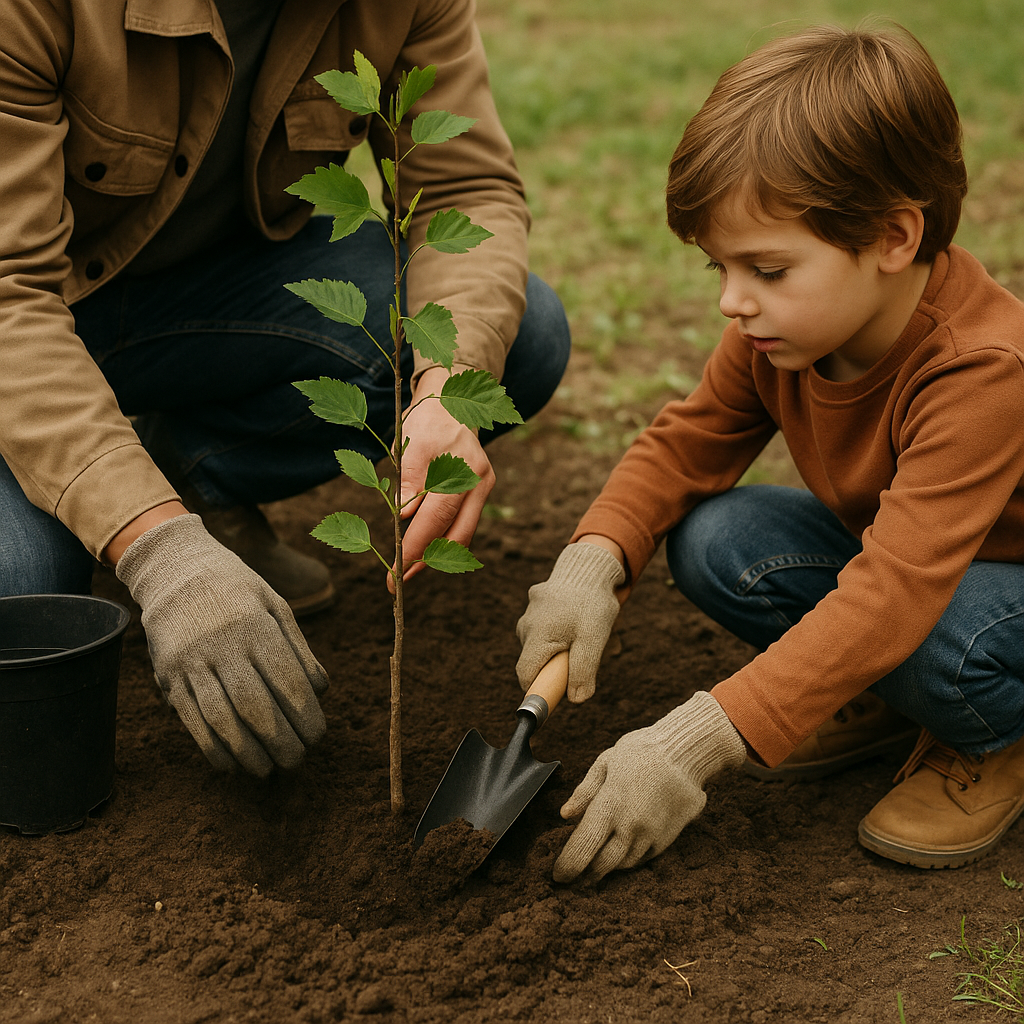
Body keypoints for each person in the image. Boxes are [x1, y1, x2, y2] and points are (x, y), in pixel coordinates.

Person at [0, 0, 570, 777]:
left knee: (519, 337)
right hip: (26, 316)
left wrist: (444, 389)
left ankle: (190, 474)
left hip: (209, 296)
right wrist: (160, 556)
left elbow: (464, 190)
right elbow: (9, 295)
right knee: (26, 591)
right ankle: (124, 507)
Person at [517, 23, 1024, 883]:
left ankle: (1000, 737)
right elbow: (688, 442)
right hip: (920, 583)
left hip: (985, 601)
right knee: (720, 540)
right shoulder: (780, 337)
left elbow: (895, 591)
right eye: (720, 265)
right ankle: (877, 692)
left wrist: (701, 737)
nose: (731, 300)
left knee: (939, 636)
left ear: (894, 239)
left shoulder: (985, 371)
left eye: (767, 269)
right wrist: (591, 561)